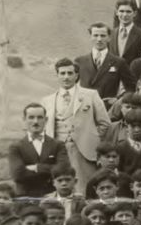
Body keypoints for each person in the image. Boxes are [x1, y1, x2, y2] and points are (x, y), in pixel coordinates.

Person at [45, 57, 111, 195]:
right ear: (57, 75)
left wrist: (91, 138)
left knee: (85, 189)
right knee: (61, 187)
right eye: (62, 73)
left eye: (70, 73)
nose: (66, 77)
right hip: (58, 152)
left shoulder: (90, 95)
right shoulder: (48, 100)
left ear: (76, 75)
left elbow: (104, 123)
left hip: (84, 151)